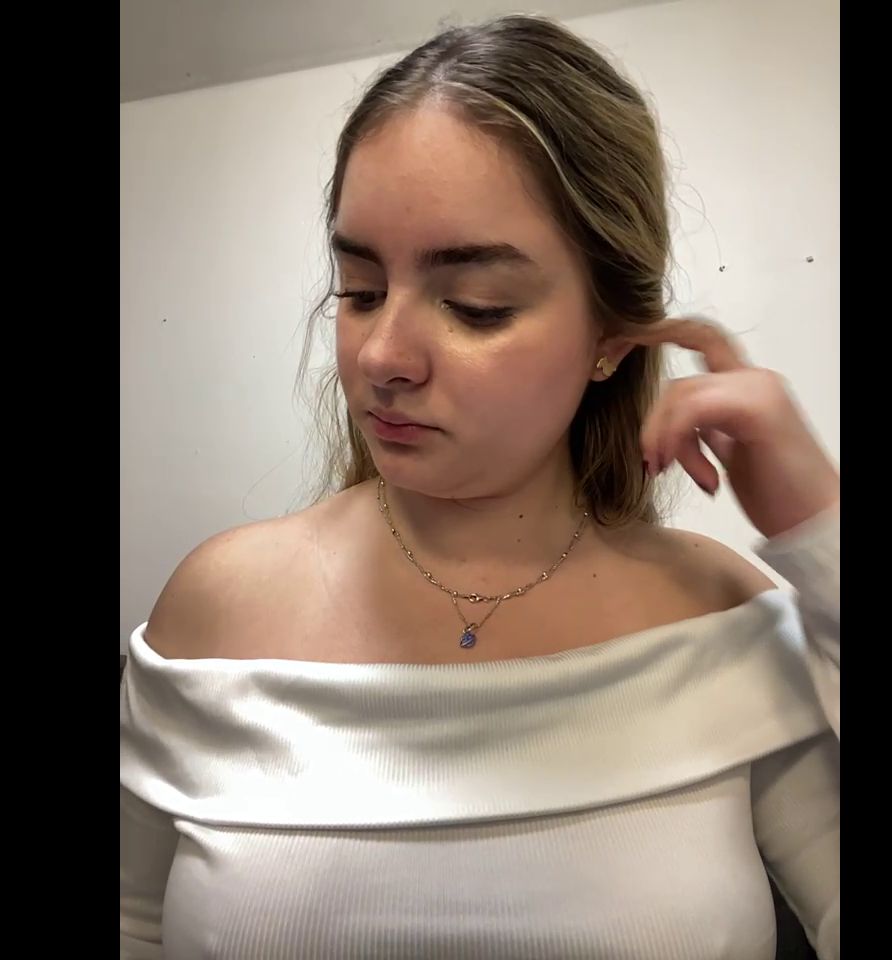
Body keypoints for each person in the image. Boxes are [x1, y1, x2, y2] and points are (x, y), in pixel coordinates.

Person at [120, 14, 839, 960]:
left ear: (610, 338)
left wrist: (823, 530)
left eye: (475, 307)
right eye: (359, 289)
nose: (381, 355)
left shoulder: (720, 619)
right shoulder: (215, 610)